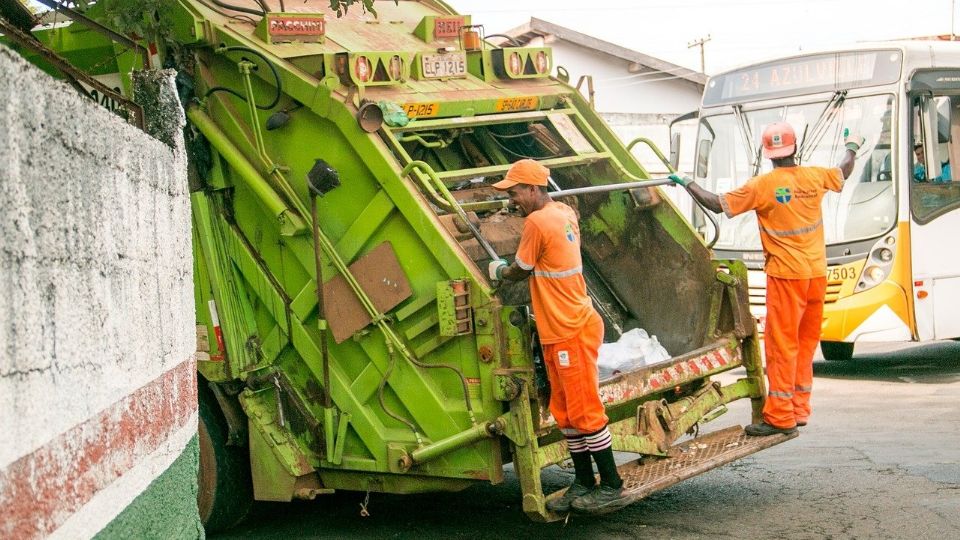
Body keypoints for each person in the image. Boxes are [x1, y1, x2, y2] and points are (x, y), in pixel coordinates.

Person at [669, 122, 862, 437]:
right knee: (804, 344)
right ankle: (799, 409)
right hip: (816, 275)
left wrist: (687, 182)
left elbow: (717, 204)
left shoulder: (763, 185)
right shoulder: (815, 176)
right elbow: (844, 168)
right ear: (795, 148)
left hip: (787, 277)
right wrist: (852, 144)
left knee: (780, 348)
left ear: (767, 153)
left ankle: (780, 418)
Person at [488, 159, 627, 514]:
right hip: (561, 328)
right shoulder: (563, 211)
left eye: (516, 191)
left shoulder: (537, 222)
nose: (512, 199)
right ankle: (582, 481)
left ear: (533, 189)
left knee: (585, 411)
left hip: (569, 330)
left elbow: (521, 270)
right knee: (564, 411)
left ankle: (610, 485)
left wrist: (500, 271)